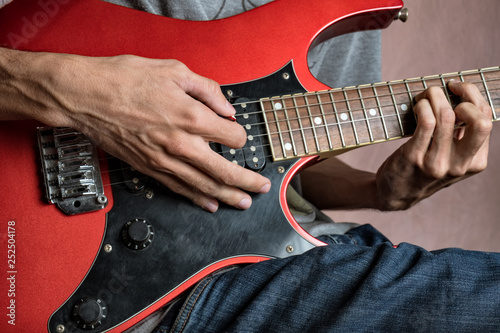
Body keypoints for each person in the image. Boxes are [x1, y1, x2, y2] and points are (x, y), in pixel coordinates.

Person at [1, 1, 498, 332]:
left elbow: (278, 160)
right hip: (109, 272)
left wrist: (378, 190)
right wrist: (72, 94)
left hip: (254, 252)